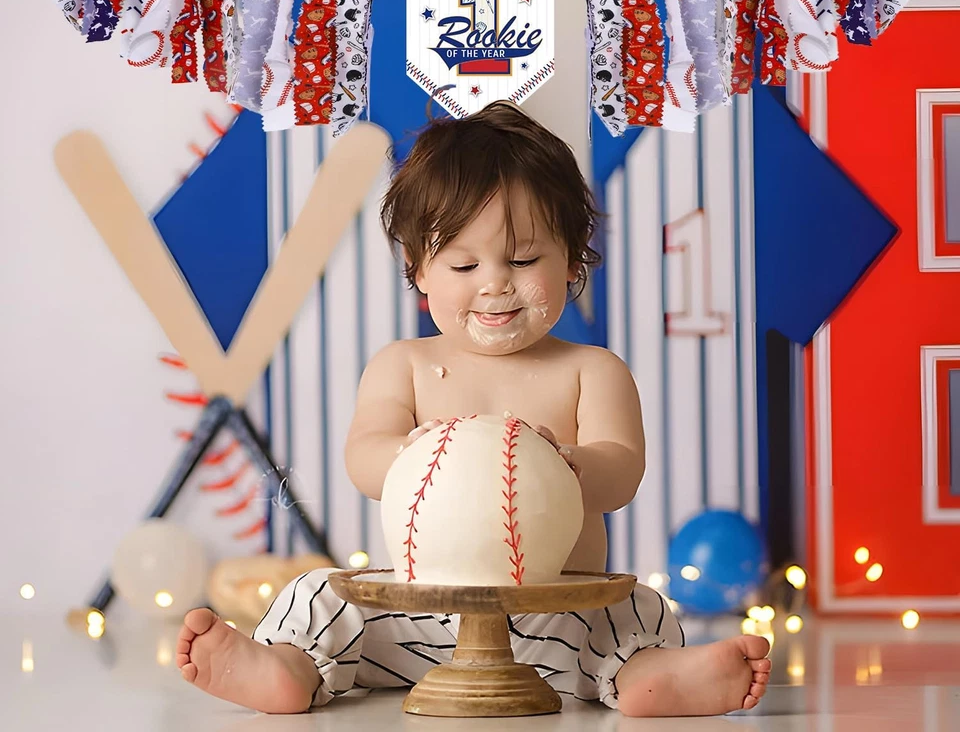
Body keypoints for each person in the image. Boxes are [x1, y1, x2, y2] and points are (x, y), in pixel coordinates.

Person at [176, 102, 770, 716]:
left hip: (557, 618)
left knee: (634, 608)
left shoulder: (591, 371)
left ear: (571, 259)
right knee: (323, 594)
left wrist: (570, 464)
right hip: (416, 616)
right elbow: (364, 458)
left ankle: (654, 679)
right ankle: (289, 667)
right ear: (419, 269)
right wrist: (408, 452)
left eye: (523, 259)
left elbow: (621, 473)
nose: (494, 283)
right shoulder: (401, 364)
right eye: (463, 263)